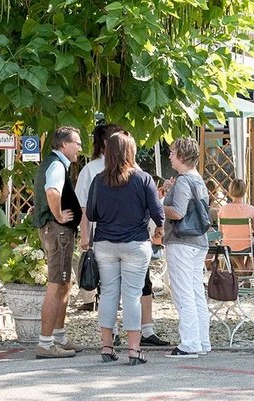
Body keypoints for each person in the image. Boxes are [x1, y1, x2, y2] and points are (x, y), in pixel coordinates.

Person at [77, 123, 170, 347]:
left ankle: (107, 346)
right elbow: (158, 211)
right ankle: (134, 349)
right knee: (132, 295)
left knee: (108, 294)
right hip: (135, 243)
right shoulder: (142, 178)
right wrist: (159, 228)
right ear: (130, 151)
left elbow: (91, 212)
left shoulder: (98, 178)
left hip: (105, 243)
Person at [32, 126, 85, 358]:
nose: (80, 147)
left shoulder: (55, 163)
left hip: (58, 231)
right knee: (56, 285)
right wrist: (59, 216)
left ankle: (59, 337)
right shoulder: (56, 165)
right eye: (77, 143)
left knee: (64, 284)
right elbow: (52, 191)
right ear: (64, 144)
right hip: (58, 231)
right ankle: (45, 343)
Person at [162, 137, 211, 358]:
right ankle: (202, 340)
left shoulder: (183, 181)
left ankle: (189, 343)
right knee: (196, 291)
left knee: (183, 292)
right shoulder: (197, 179)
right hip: (199, 242)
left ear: (182, 156)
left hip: (181, 241)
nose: (170, 156)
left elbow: (178, 212)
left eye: (172, 152)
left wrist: (160, 205)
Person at [76, 123, 122, 311]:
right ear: (106, 142)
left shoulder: (128, 166)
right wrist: (85, 234)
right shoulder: (92, 169)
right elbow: (83, 205)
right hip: (101, 229)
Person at [217, 179, 254, 272]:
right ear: (244, 191)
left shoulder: (223, 209)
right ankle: (247, 270)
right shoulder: (251, 209)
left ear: (230, 191)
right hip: (246, 245)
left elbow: (220, 231)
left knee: (233, 244)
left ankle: (242, 269)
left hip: (228, 245)